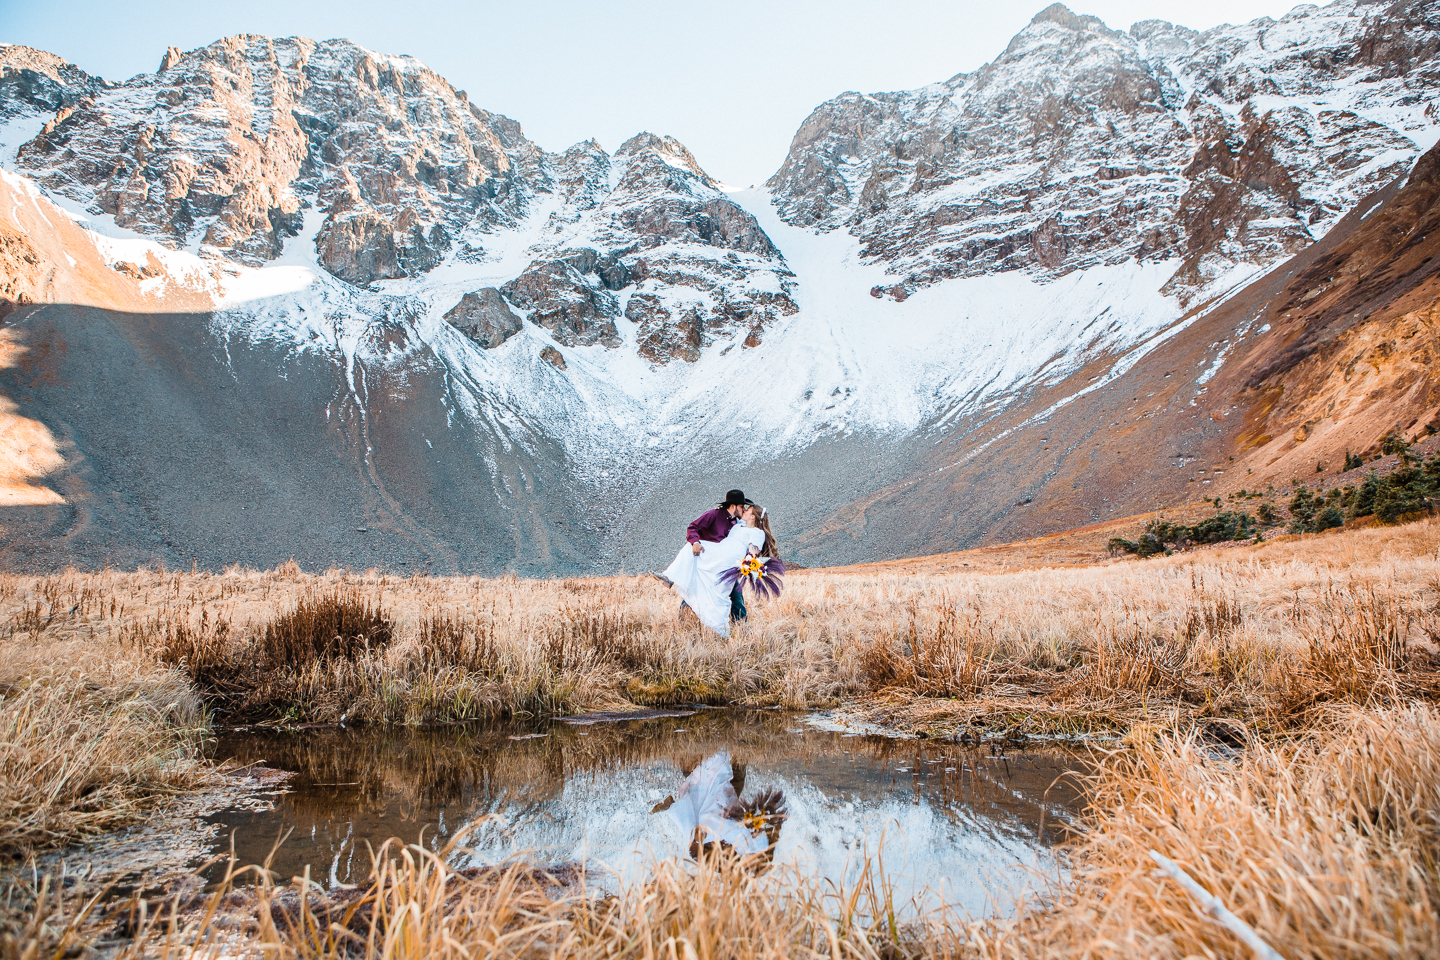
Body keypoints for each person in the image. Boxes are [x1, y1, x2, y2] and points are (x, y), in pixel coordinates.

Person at [658, 496, 766, 637]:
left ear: (752, 516)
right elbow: (693, 527)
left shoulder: (755, 531)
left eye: (747, 510)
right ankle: (671, 579)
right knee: (698, 571)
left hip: (729, 560)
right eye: (742, 507)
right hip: (718, 554)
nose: (744, 510)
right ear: (733, 506)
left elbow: (753, 550)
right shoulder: (734, 522)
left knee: (730, 593)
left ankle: (736, 627)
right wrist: (695, 542)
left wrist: (749, 563)